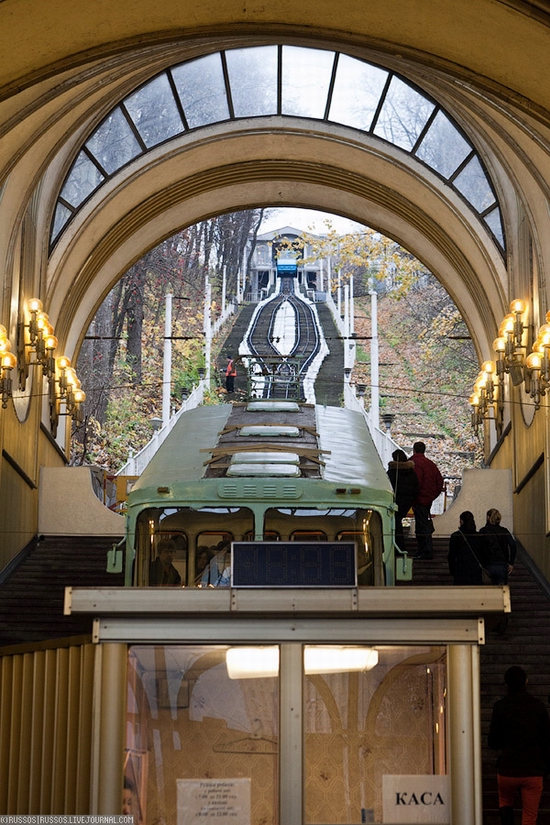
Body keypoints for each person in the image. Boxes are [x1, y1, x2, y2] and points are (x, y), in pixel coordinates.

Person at [489, 666, 550, 825]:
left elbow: (493, 742)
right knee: (530, 817)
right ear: (526, 682)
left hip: (507, 769)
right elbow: (546, 740)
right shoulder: (539, 707)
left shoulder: (500, 707)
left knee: (505, 801)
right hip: (533, 770)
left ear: (506, 685)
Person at [409, 441, 444, 559]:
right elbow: (439, 481)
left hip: (419, 499)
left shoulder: (414, 463)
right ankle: (425, 550)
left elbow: (415, 482)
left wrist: (412, 497)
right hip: (427, 499)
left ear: (414, 450)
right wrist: (432, 495)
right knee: (424, 523)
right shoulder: (431, 464)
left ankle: (424, 550)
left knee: (421, 525)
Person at [387, 449, 420, 553]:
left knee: (395, 521)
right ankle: (399, 545)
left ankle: (398, 546)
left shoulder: (392, 472)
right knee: (398, 520)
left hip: (396, 499)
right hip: (407, 500)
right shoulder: (411, 472)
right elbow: (416, 487)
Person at [479, 508, 517, 585]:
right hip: (502, 564)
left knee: (488, 591)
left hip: (488, 564)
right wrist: (511, 562)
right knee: (502, 591)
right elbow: (513, 545)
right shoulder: (504, 531)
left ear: (488, 517)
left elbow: (479, 548)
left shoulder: (483, 531)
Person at [447, 510, 485, 584]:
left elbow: (451, 555)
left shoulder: (456, 536)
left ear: (461, 521)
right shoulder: (479, 536)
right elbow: (483, 553)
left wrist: (452, 570)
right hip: (476, 570)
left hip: (460, 570)